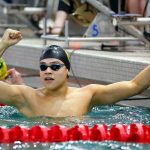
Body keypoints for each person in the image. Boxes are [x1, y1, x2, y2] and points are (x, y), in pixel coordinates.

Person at [0, 28, 150, 117]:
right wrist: (3, 44)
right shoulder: (26, 97)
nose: (48, 71)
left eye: (55, 67)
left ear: (67, 71)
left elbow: (135, 86)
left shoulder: (87, 95)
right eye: (43, 67)